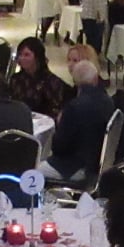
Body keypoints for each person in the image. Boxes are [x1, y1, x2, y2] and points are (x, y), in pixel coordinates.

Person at [46, 53, 115, 181]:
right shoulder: (107, 101)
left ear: (75, 81)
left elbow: (59, 148)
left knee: (33, 171)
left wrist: (60, 124)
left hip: (78, 166)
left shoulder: (74, 106)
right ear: (95, 78)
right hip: (100, 162)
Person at [10, 37, 69, 117]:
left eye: (27, 55)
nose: (22, 58)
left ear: (37, 57)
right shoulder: (15, 79)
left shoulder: (52, 82)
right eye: (20, 55)